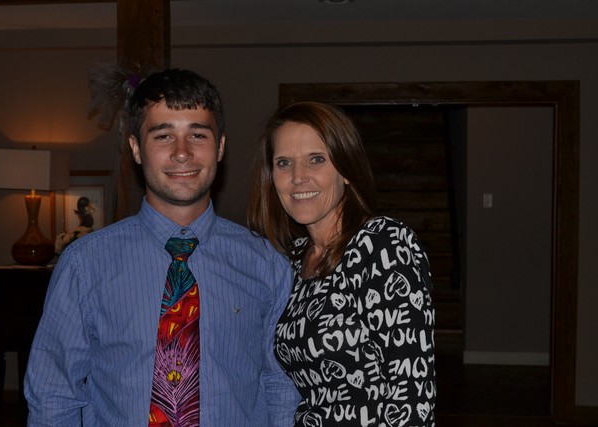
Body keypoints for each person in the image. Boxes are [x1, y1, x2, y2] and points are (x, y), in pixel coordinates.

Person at [24, 68, 300, 426]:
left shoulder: (266, 263)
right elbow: (53, 395)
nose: (182, 153)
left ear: (220, 147)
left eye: (197, 135)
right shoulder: (85, 264)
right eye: (163, 135)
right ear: (136, 148)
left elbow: (281, 386)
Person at [247, 101, 436, 426]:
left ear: (346, 170)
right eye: (284, 163)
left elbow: (413, 399)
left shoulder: (383, 244)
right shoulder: (291, 261)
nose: (298, 177)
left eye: (316, 159)